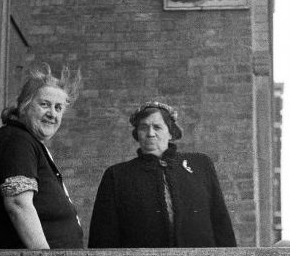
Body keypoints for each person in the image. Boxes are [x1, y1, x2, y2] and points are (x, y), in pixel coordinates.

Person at [88, 101, 236, 247]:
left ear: (170, 133)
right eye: (143, 127)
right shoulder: (117, 176)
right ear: (137, 134)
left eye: (157, 127)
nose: (150, 133)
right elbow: (103, 237)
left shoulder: (200, 165)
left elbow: (221, 222)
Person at [0, 64, 84, 249]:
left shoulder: (27, 141)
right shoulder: (16, 141)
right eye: (45, 105)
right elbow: (18, 204)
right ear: (24, 106)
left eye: (58, 108)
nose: (52, 114)